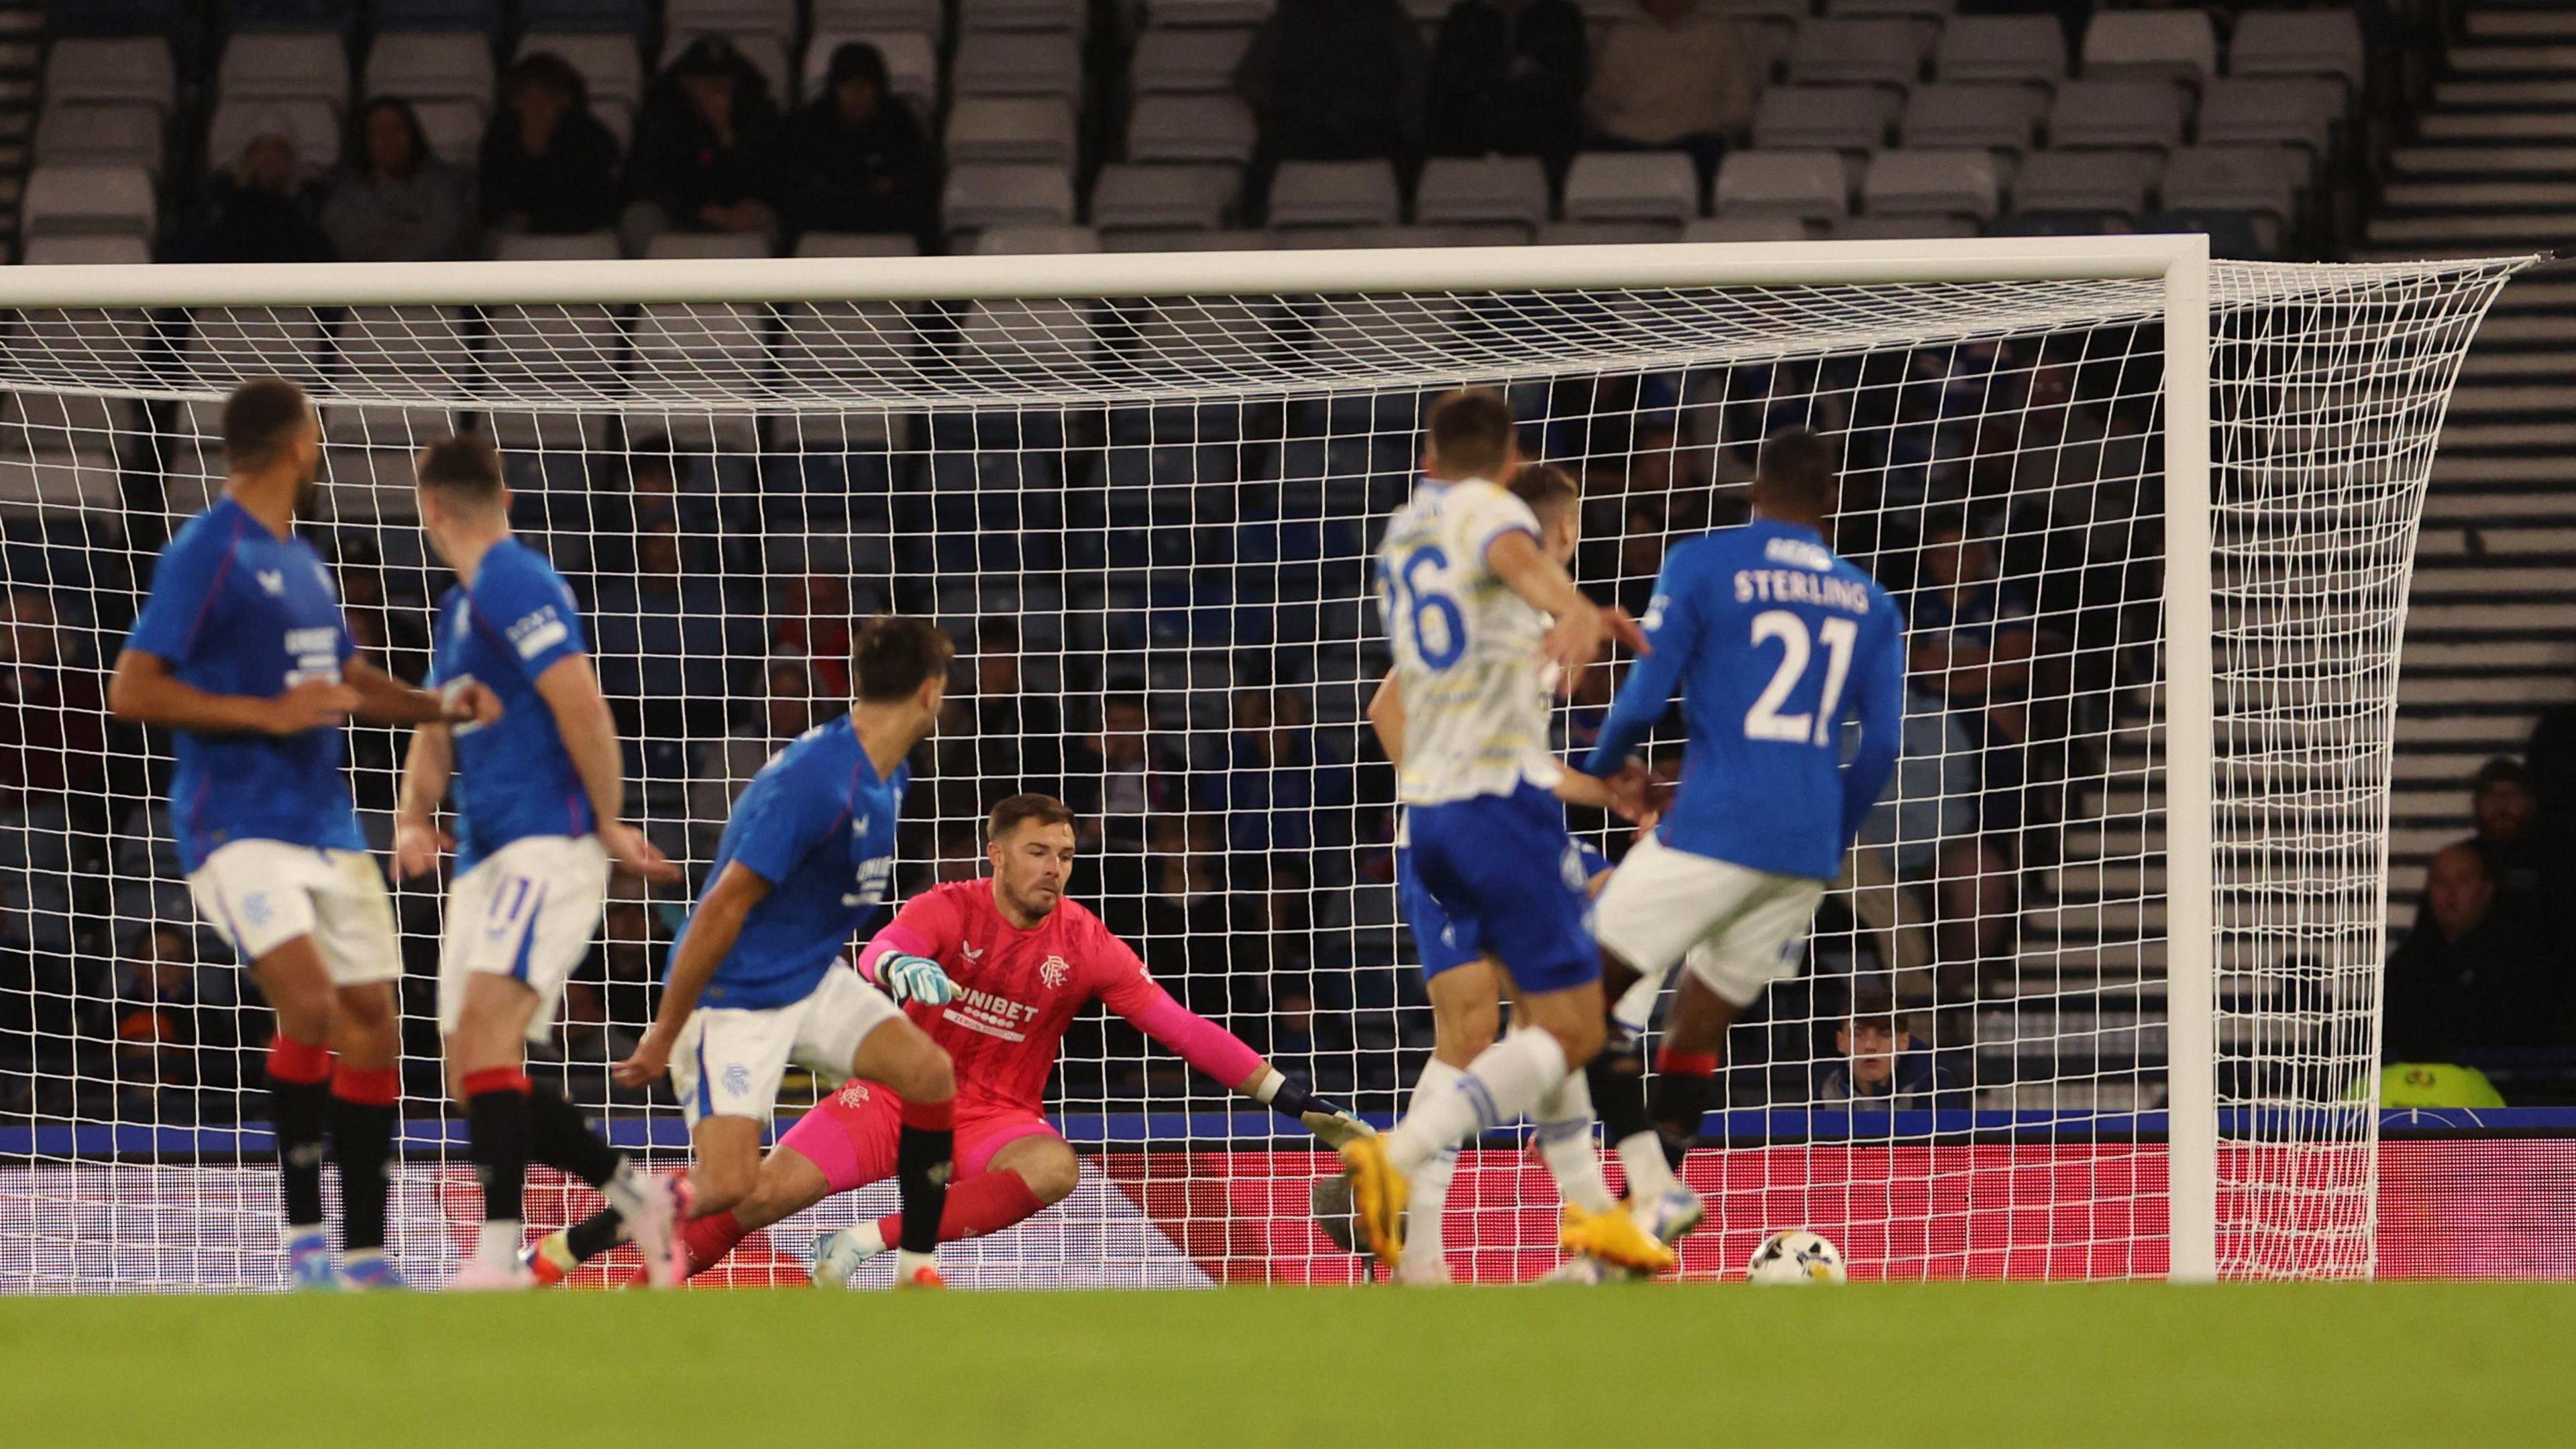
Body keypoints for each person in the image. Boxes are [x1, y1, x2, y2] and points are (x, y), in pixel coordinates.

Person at [533, 794, 1367, 1285]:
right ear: (996, 854)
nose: (1054, 868)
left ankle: (874, 1239)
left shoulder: (1086, 942)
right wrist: (901, 973)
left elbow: (1179, 1026)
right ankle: (631, 1293)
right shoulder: (950, 905)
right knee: (749, 1195)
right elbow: (885, 945)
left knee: (1054, 1167)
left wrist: (1293, 1099)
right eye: (1038, 852)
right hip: (893, 1099)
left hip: (994, 1116)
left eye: (1067, 856)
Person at [106, 377, 499, 1289]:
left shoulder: (303, 559)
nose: (320, 451)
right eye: (317, 436)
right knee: (311, 1003)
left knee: (374, 1024)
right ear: (297, 444)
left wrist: (433, 705)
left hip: (324, 824)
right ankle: (303, 1237)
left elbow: (350, 676)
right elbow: (131, 689)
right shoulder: (206, 552)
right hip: (236, 825)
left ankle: (364, 1251)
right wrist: (264, 713)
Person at [1334, 388, 1652, 1275]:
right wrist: (1581, 608)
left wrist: (1602, 793)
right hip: (1479, 815)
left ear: (1430, 460)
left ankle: (1589, 1211)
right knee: (1554, 1020)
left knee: (1550, 1019)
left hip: (1457, 813)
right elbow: (1394, 698)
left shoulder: (1408, 530)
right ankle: (1397, 1167)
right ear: (1510, 469)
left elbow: (1503, 739)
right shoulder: (1493, 523)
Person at [1579, 426, 1905, 1251]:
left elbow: (1644, 695)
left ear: (1752, 493)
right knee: (1697, 1025)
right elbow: (1884, 746)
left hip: (1712, 827)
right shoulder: (1872, 601)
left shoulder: (1704, 561)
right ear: (1830, 505)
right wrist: (1828, 828)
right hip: (1801, 852)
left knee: (1577, 995)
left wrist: (1606, 769)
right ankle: (1645, 1219)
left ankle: (1643, 1188)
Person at [386, 433, 689, 1290]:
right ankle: (637, 1197)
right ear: (504, 498)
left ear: (429, 507)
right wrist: (413, 815)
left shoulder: (518, 581)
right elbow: (437, 721)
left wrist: (607, 824)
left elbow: (583, 705)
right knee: (472, 1072)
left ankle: (498, 1256)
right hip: (485, 856)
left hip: (546, 845)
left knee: (489, 1040)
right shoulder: (462, 604)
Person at [594, 616, 965, 1289]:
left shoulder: (894, 774)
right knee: (730, 1183)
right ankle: (582, 1244)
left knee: (929, 1074)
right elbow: (719, 908)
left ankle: (916, 1267)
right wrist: (666, 1029)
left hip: (809, 980)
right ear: (930, 694)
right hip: (734, 997)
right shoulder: (814, 780)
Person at [2384, 842, 2557, 1063]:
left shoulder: (2519, 962)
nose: (2451, 893)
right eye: (2440, 882)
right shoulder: (2405, 966)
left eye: (2463, 880)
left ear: (2487, 889)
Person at [623, 34, 783, 251]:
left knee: (769, 220)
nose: (717, 88)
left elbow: (769, 176)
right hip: (680, 214)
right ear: (686, 81)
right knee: (639, 217)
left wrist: (725, 134)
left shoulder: (757, 113)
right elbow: (647, 180)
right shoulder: (661, 114)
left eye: (724, 79)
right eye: (706, 80)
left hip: (739, 216)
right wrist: (699, 212)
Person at [1585, 0, 1758, 190]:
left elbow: (1739, 103)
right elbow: (1600, 101)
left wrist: (1710, 124)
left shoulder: (1719, 33)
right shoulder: (1621, 36)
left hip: (1700, 142)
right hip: (1629, 143)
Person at [779, 41, 936, 245]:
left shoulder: (900, 122)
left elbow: (918, 180)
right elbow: (799, 186)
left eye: (864, 85)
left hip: (890, 224)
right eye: (848, 85)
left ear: (878, 88)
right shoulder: (810, 124)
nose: (856, 94)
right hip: (824, 225)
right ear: (835, 88)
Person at [1236, 0, 1428, 167]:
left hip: (1305, 135)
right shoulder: (1385, 13)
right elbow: (1417, 74)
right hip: (1369, 134)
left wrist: (1285, 110)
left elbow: (1250, 79)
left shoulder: (1290, 14)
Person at [1426, 0, 1589, 170]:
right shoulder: (1464, 17)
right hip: (1471, 131)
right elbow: (1449, 79)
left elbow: (1571, 79)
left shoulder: (1560, 16)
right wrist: (1505, 72)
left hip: (1544, 131)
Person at [478, 51, 625, 238]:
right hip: (511, 243)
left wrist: (537, 221)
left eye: (546, 97)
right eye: (526, 97)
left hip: (578, 242)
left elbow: (596, 207)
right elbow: (490, 205)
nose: (535, 107)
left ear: (565, 100)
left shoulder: (592, 140)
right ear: (513, 102)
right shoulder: (499, 138)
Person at [319, 98, 474, 263]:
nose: (389, 139)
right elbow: (350, 246)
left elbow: (444, 238)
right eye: (378, 132)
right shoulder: (343, 197)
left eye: (397, 129)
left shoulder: (443, 186)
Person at [175, 131, 336, 264]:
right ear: (246, 159)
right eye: (260, 150)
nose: (269, 158)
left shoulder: (306, 212)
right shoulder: (218, 204)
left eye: (279, 151)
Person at [1816, 989, 1957, 1109]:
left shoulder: (1937, 1091)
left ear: (1904, 1042)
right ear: (1841, 1042)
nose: (1870, 1046)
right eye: (1857, 1035)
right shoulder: (1825, 1092)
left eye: (1885, 1035)